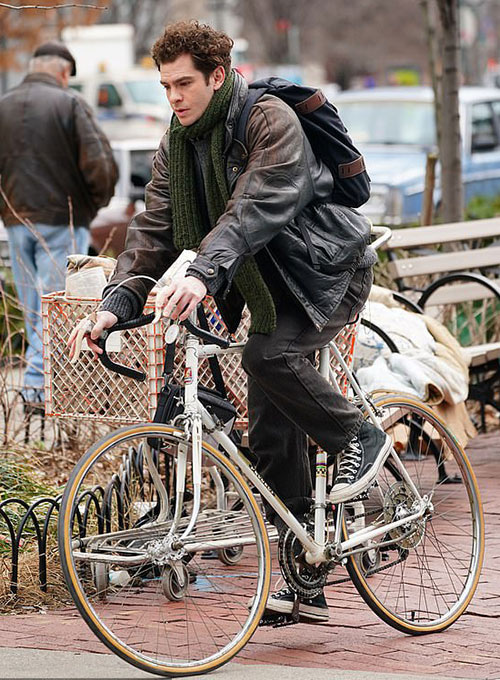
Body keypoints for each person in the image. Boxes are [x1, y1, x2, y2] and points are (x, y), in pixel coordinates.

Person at [69, 21, 391, 622]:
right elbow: (154, 234)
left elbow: (256, 206)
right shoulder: (176, 144)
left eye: (184, 83)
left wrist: (202, 273)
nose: (174, 98)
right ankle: (305, 577)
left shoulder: (270, 120)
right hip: (256, 280)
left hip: (322, 273)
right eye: (165, 86)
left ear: (219, 76)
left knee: (266, 358)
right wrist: (112, 307)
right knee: (269, 431)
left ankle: (358, 436)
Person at [0, 41, 118, 403]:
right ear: (64, 72)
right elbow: (99, 165)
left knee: (35, 309)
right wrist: (92, 205)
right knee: (57, 309)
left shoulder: (2, 106)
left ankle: (35, 389)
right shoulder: (69, 104)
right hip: (62, 221)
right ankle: (39, 391)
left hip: (16, 220)